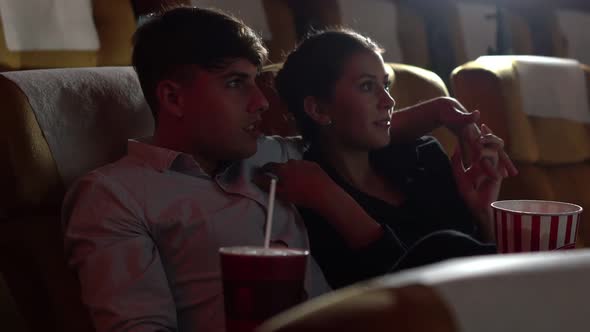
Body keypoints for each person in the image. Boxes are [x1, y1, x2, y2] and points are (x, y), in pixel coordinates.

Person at [61, 7, 336, 332]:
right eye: (235, 83)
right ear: (173, 98)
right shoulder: (115, 195)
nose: (261, 102)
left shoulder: (267, 154)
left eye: (255, 81)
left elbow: (359, 136)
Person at [259, 29, 518, 289]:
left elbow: (485, 268)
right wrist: (335, 203)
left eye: (385, 85)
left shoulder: (423, 157)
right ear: (318, 109)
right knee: (444, 244)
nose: (389, 101)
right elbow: (393, 292)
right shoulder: (313, 193)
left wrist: (483, 214)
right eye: (367, 86)